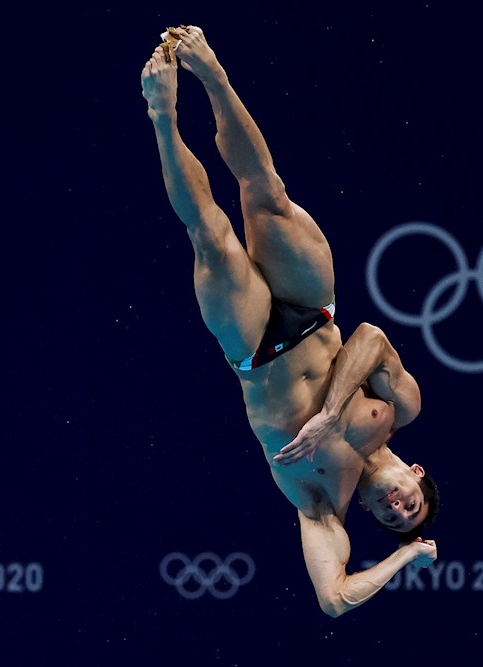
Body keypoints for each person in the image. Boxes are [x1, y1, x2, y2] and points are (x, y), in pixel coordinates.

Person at [140, 25, 439, 617]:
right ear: (417, 471)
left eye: (393, 518)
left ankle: (161, 109)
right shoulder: (401, 409)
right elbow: (372, 338)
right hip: (312, 312)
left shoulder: (322, 500)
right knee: (266, 193)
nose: (397, 509)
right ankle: (213, 75)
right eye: (412, 503)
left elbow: (334, 598)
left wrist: (407, 554)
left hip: (254, 350)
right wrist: (330, 417)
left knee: (212, 239)